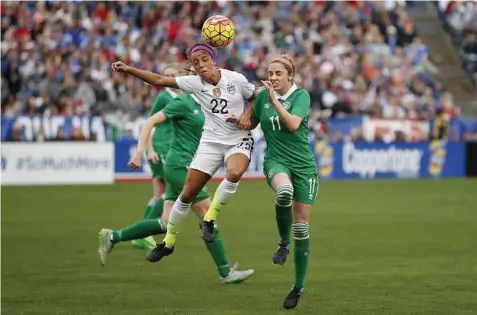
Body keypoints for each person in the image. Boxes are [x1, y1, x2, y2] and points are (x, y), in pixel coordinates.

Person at [98, 65, 254, 283]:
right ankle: (225, 272)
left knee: (164, 222)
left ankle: (113, 236)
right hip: (181, 166)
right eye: (192, 72)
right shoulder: (182, 102)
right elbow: (151, 121)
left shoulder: (209, 102)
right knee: (209, 217)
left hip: (187, 164)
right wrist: (141, 151)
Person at [228, 54, 319, 309]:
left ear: (290, 76)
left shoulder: (301, 96)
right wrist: (240, 120)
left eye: (278, 74)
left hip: (304, 166)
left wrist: (271, 99)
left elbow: (292, 124)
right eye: (270, 74)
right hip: (276, 160)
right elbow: (250, 123)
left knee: (301, 226)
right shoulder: (262, 99)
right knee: (283, 192)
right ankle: (283, 243)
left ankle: (298, 287)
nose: (273, 78)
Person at [130, 63, 178, 251]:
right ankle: (145, 232)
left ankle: (141, 234)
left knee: (158, 194)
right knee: (169, 192)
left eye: (173, 74)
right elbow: (149, 123)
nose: (170, 78)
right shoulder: (163, 97)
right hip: (161, 147)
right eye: (167, 75)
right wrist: (150, 150)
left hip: (169, 146)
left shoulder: (178, 96)